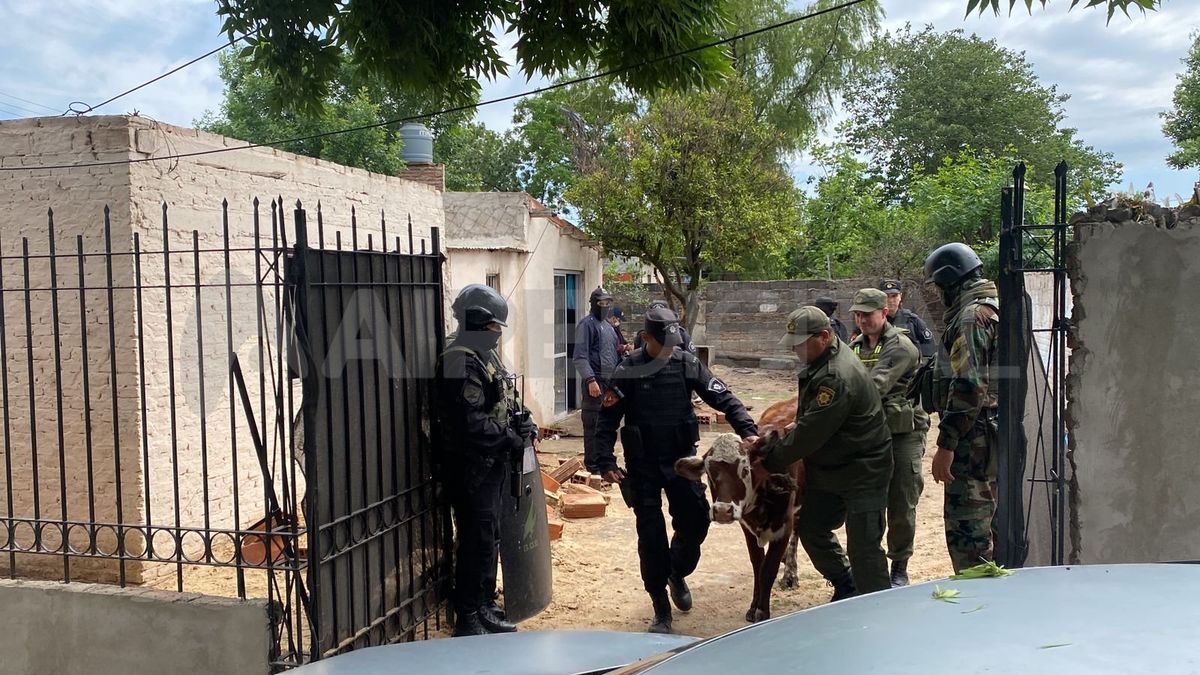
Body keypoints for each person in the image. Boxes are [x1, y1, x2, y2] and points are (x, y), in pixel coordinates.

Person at [592, 306, 758, 634]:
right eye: (663, 344)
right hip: (643, 467)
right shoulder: (627, 370)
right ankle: (659, 606)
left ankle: (676, 571)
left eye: (674, 343)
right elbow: (606, 420)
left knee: (696, 521)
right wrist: (605, 461)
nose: (670, 350)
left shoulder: (686, 363)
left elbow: (724, 398)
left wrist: (747, 429)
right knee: (651, 536)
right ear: (645, 338)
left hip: (682, 463)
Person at [746, 306, 893, 601]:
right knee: (812, 529)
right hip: (831, 466)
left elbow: (810, 432)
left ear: (824, 337)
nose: (796, 350)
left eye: (800, 343)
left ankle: (878, 604)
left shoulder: (835, 376)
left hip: (863, 469)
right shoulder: (823, 362)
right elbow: (805, 420)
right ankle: (845, 582)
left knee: (864, 546)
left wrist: (769, 463)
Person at [435, 285, 539, 636]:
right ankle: (467, 615)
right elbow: (470, 422)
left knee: (489, 537)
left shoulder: (484, 356)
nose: (498, 334)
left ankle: (484, 603)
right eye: (495, 327)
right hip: (470, 467)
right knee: (476, 540)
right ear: (478, 322)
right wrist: (509, 437)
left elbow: (504, 395)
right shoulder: (458, 361)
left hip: (490, 463)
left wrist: (525, 421)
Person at [923, 243, 1000, 574]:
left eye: (939, 286)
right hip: (989, 431)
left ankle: (978, 607)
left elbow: (969, 385)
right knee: (987, 525)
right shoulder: (992, 308)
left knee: (968, 532)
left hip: (972, 440)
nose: (939, 294)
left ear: (949, 282)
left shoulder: (971, 317)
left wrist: (946, 444)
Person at [847, 288, 929, 587]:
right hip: (868, 434)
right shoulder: (854, 346)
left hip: (902, 433)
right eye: (857, 314)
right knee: (867, 502)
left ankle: (899, 565)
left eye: (867, 314)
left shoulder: (901, 346)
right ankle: (869, 565)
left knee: (901, 500)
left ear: (884, 312)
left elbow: (874, 386)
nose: (861, 319)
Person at [573, 286, 622, 472]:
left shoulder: (608, 327)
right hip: (595, 383)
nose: (605, 306)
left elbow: (611, 350)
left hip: (610, 383)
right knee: (593, 425)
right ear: (593, 304)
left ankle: (605, 464)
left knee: (607, 425)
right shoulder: (586, 325)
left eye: (608, 303)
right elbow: (580, 357)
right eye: (601, 303)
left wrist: (623, 350)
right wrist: (590, 380)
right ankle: (593, 467)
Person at [879, 279, 935, 358]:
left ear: (900, 297)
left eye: (894, 296)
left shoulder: (912, 320)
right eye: (886, 296)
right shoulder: (872, 321)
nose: (890, 300)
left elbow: (929, 348)